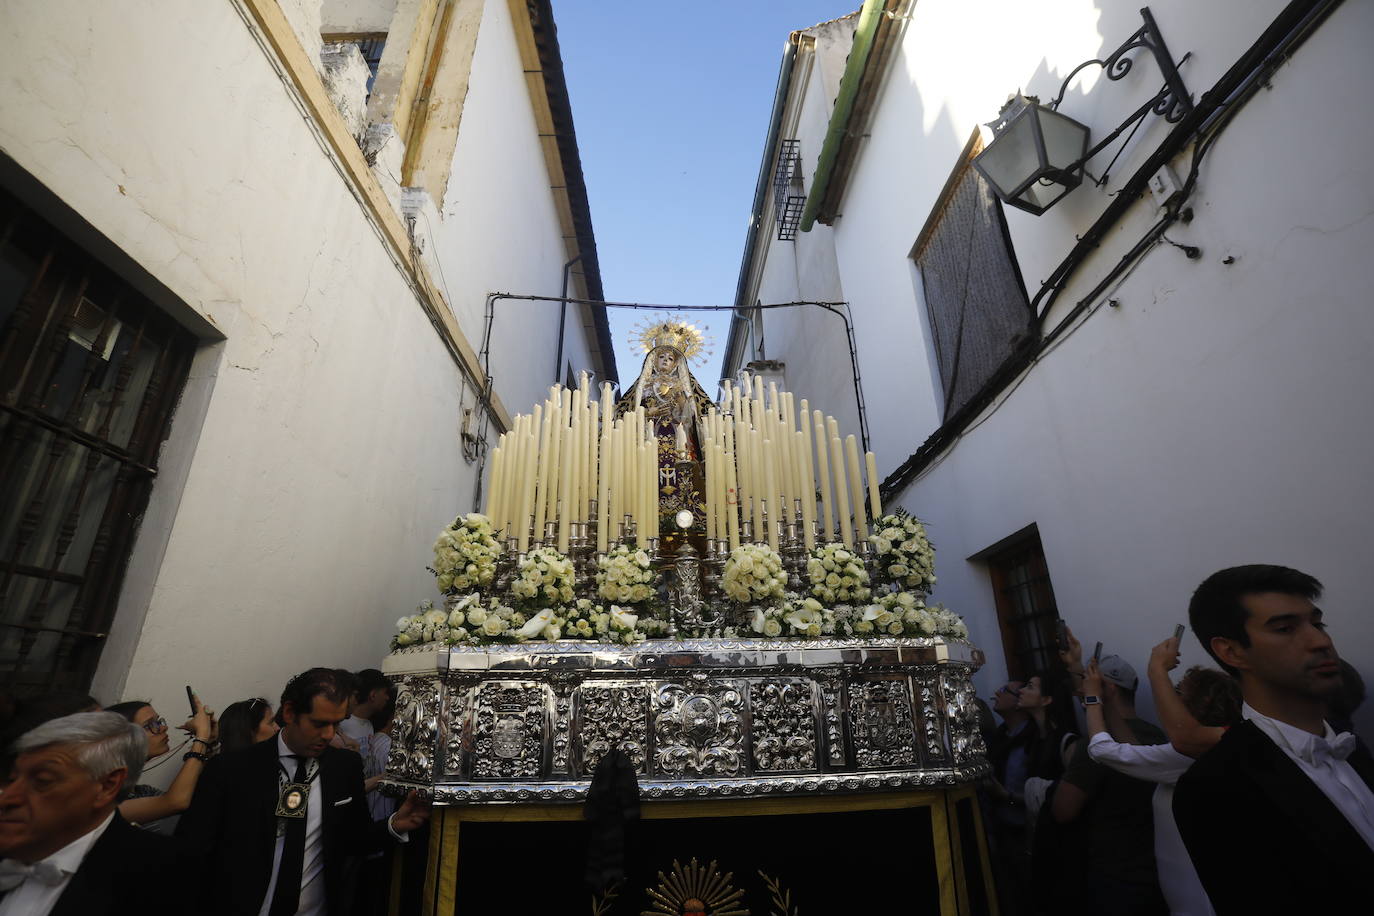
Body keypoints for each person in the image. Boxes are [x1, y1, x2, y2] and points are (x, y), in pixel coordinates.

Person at [1174, 565, 1374, 913]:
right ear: (1232, 652)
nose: (1321, 641)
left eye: (1318, 623)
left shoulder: (1350, 747)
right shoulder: (1216, 786)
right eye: (1285, 628)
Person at [176, 667, 431, 915]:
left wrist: (394, 824)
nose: (328, 735)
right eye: (319, 724)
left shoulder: (344, 767)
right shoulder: (232, 769)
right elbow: (192, 853)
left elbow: (352, 838)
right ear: (289, 712)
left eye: (337, 724)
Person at [1085, 637, 1242, 916]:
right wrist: (1108, 701)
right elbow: (1135, 753)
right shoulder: (1222, 744)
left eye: (1178, 694)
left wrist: (1091, 699)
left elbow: (1103, 750)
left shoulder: (1187, 757)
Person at [0, 711, 178, 915]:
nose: (6, 799)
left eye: (42, 781)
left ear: (107, 786)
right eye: (12, 780)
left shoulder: (161, 872)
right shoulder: (8, 851)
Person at [1052, 651, 1168, 915]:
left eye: (1090, 682)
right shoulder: (1159, 735)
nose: (1083, 689)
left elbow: (1063, 810)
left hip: (1114, 874)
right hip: (1157, 869)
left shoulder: (1093, 747)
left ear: (1108, 689)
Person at [106, 696, 216, 830]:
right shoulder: (108, 798)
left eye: (158, 721)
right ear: (122, 739)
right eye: (149, 725)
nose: (164, 727)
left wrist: (209, 743)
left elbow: (190, 801)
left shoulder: (142, 792)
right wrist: (202, 737)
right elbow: (175, 802)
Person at [338, 670, 391, 760]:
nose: (387, 698)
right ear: (373, 695)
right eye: (385, 693)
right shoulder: (341, 723)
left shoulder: (369, 725)